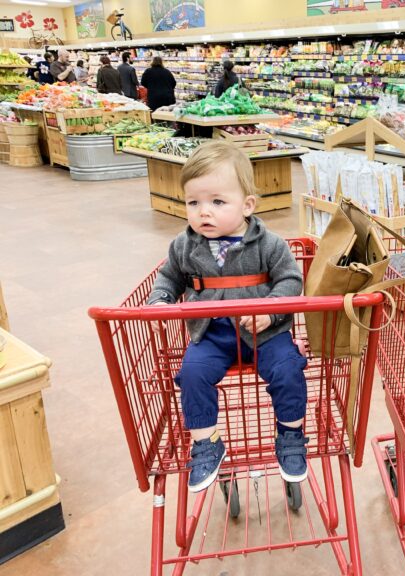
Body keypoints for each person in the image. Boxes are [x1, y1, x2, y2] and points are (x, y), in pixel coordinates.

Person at [147, 141, 308, 493]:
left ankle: (291, 435)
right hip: (212, 332)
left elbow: (291, 279)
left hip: (264, 331)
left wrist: (272, 310)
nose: (204, 212)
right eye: (194, 202)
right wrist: (160, 299)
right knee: (191, 373)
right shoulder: (183, 246)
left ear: (247, 205)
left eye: (217, 202)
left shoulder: (270, 244)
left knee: (288, 370)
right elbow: (169, 277)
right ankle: (207, 443)